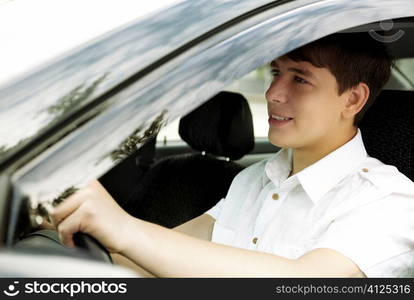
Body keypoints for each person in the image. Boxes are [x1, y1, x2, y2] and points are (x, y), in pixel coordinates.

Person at [52, 33, 414, 277]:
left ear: (352, 99)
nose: (273, 91)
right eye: (276, 73)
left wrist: (123, 228)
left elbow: (305, 282)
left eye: (299, 79)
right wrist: (60, 247)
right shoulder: (253, 179)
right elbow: (153, 258)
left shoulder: (391, 201)